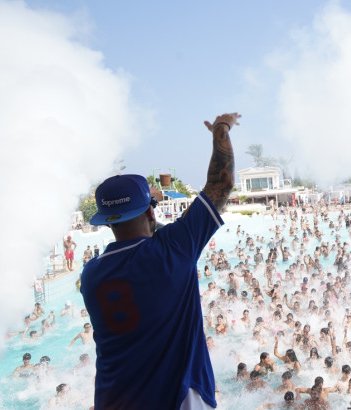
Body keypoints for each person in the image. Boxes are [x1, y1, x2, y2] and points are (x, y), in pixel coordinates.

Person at [80, 112, 240, 409]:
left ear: (107, 222)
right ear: (152, 213)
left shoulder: (90, 275)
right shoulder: (173, 250)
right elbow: (222, 183)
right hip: (176, 399)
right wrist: (222, 127)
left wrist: (147, 203)